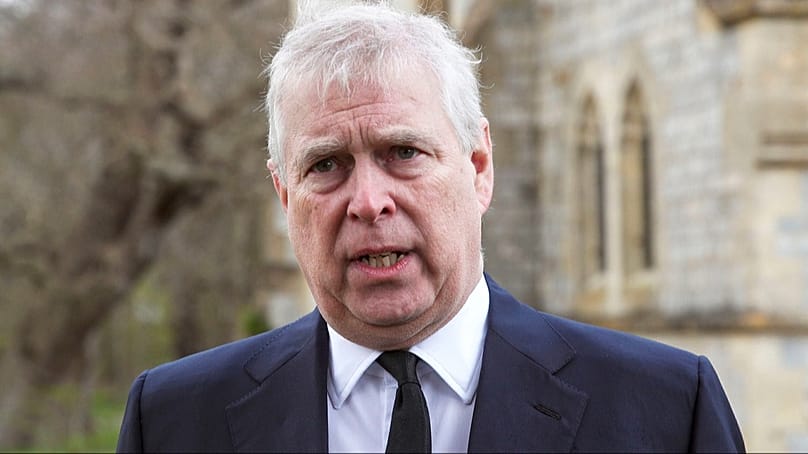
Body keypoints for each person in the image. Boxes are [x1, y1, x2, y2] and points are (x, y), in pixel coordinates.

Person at [116, 2, 745, 452]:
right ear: (285, 194)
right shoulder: (173, 420)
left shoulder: (666, 410)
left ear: (478, 167)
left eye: (403, 154)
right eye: (326, 165)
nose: (368, 202)